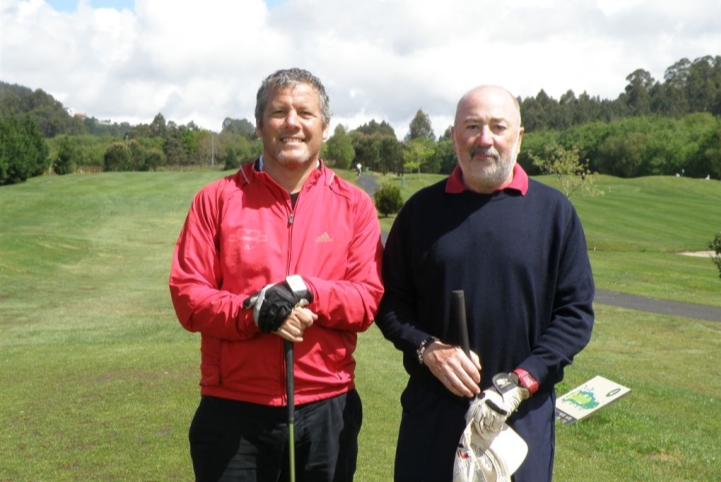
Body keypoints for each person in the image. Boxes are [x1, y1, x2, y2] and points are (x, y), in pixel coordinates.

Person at [169, 68, 384, 482]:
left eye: (305, 112)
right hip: (233, 408)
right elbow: (188, 296)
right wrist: (254, 312)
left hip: (327, 405)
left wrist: (303, 292)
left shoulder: (354, 205)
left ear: (324, 125)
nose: (292, 123)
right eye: (278, 112)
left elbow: (366, 300)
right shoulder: (216, 200)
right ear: (258, 124)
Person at [376, 85, 595, 482]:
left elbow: (575, 315)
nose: (484, 139)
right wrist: (428, 349)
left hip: (520, 416)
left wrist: (521, 381)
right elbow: (390, 303)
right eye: (472, 126)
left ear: (519, 136)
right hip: (433, 414)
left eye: (498, 126)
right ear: (454, 135)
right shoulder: (420, 212)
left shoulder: (555, 213)